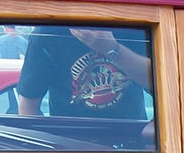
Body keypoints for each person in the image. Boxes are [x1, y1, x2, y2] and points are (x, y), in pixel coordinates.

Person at [16, 25, 151, 118]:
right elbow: (28, 107)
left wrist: (111, 48)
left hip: (132, 142)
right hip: (69, 147)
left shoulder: (133, 25)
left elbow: (158, 83)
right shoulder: (48, 32)